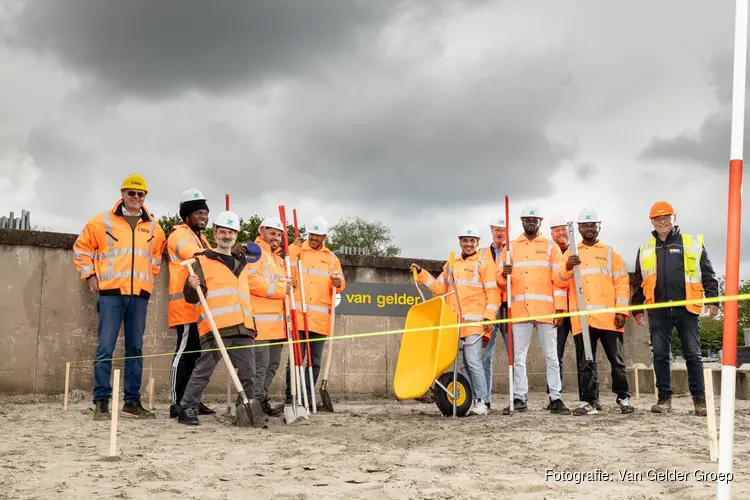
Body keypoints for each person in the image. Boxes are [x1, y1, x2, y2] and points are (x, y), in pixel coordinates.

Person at [73, 173, 166, 420]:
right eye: (131, 193)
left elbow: (155, 260)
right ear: (122, 194)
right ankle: (101, 402)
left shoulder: (155, 228)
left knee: (135, 349)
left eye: (141, 194)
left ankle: (132, 402)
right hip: (111, 295)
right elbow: (81, 249)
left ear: (145, 196)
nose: (136, 198)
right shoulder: (100, 222)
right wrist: (90, 275)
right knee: (105, 348)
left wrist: (149, 281)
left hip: (139, 297)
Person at [631, 201, 719, 416]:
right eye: (658, 218)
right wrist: (636, 308)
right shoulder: (645, 249)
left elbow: (707, 273)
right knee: (660, 355)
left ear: (674, 218)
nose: (662, 221)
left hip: (686, 309)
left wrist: (713, 299)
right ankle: (664, 400)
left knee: (693, 355)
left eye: (666, 217)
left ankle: (699, 401)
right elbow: (638, 280)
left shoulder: (692, 242)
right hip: (658, 310)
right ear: (651, 221)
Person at [178, 211, 259, 425]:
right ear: (215, 233)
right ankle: (187, 407)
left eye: (230, 232)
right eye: (222, 231)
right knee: (204, 370)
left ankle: (246, 411)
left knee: (249, 373)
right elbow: (190, 296)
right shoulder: (202, 261)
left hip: (243, 327)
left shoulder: (242, 263)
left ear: (235, 235)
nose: (226, 235)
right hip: (217, 326)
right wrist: (191, 285)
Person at [411, 223, 500, 415]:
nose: (469, 244)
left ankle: (482, 401)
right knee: (463, 364)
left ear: (477, 242)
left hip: (476, 322)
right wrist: (422, 274)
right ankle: (471, 400)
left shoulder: (484, 263)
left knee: (473, 360)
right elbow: (439, 287)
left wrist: (489, 316)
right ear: (460, 242)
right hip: (455, 322)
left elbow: (493, 292)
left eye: (472, 240)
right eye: (465, 240)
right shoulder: (451, 264)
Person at [553, 209, 635, 415]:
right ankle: (588, 401)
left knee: (616, 360)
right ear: (579, 228)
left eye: (593, 225)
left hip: (608, 318)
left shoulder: (610, 252)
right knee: (586, 361)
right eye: (585, 225)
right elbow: (559, 281)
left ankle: (623, 398)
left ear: (599, 227)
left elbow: (622, 282)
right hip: (583, 319)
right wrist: (568, 267)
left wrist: (622, 311)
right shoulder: (571, 253)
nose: (589, 228)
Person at [496, 205, 571, 415]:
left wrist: (559, 310)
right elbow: (499, 281)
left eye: (535, 219)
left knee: (551, 356)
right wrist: (504, 274)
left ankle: (555, 397)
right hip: (520, 311)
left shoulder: (550, 246)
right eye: (528, 219)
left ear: (540, 221)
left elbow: (558, 280)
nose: (531, 222)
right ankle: (520, 398)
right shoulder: (511, 247)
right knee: (518, 357)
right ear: (521, 220)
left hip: (546, 311)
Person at [288, 217, 346, 410]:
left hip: (320, 320)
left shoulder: (331, 258)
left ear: (324, 237)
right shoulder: (297, 251)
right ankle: (292, 397)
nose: (313, 238)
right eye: (311, 234)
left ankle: (306, 396)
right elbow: (285, 265)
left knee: (315, 362)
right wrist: (293, 247)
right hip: (298, 317)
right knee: (295, 360)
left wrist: (339, 284)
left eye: (317, 235)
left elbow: (340, 283)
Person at [166, 188, 214, 419]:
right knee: (184, 354)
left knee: (196, 356)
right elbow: (193, 253)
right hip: (185, 306)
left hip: (200, 307)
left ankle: (192, 399)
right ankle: (177, 402)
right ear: (187, 215)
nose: (203, 217)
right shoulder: (179, 235)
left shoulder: (201, 237)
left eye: (205, 213)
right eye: (198, 213)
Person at [242, 217, 292, 417]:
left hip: (277, 326)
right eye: (273, 233)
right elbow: (252, 281)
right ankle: (251, 404)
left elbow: (279, 283)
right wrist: (283, 288)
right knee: (259, 367)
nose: (276, 237)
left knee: (271, 366)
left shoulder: (277, 258)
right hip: (260, 323)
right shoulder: (254, 252)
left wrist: (288, 283)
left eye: (279, 234)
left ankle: (261, 400)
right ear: (261, 231)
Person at [478, 217, 507, 410]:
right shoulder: (482, 254)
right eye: (496, 230)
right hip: (488, 308)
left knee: (515, 355)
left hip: (508, 306)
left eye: (503, 230)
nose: (499, 233)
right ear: (491, 231)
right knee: (485, 355)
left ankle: (518, 398)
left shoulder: (513, 252)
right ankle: (485, 399)